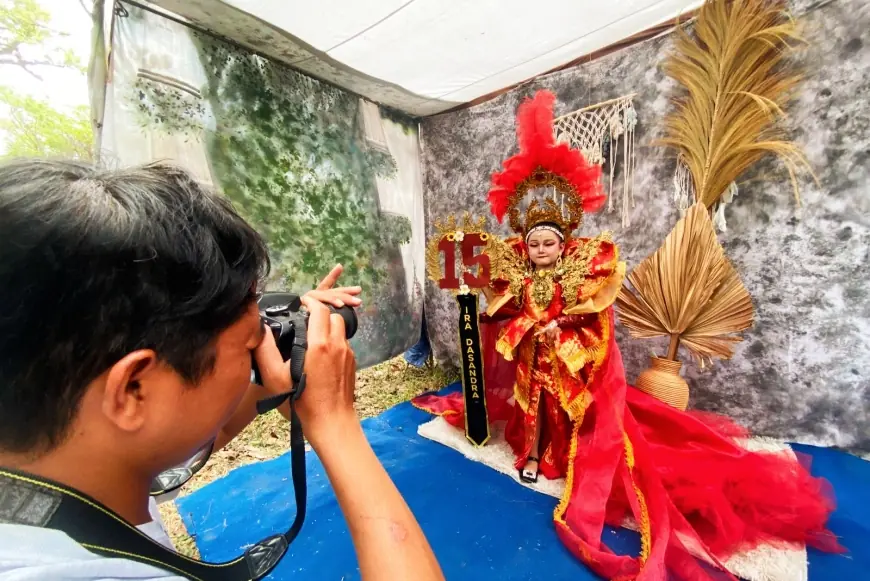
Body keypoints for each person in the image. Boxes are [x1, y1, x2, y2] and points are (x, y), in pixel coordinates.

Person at [413, 90, 842, 580]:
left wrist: (561, 326)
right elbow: (504, 306)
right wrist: (507, 315)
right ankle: (531, 453)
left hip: (567, 360)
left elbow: (595, 314)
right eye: (533, 243)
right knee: (531, 408)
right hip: (533, 355)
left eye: (549, 242)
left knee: (567, 413)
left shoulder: (585, 270)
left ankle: (559, 458)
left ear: (564, 240)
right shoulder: (522, 272)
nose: (540, 249)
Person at [0, 159, 445, 581]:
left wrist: (275, 366)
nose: (260, 350)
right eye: (252, 344)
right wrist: (333, 422)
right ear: (133, 388)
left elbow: (178, 427)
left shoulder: (59, 464)